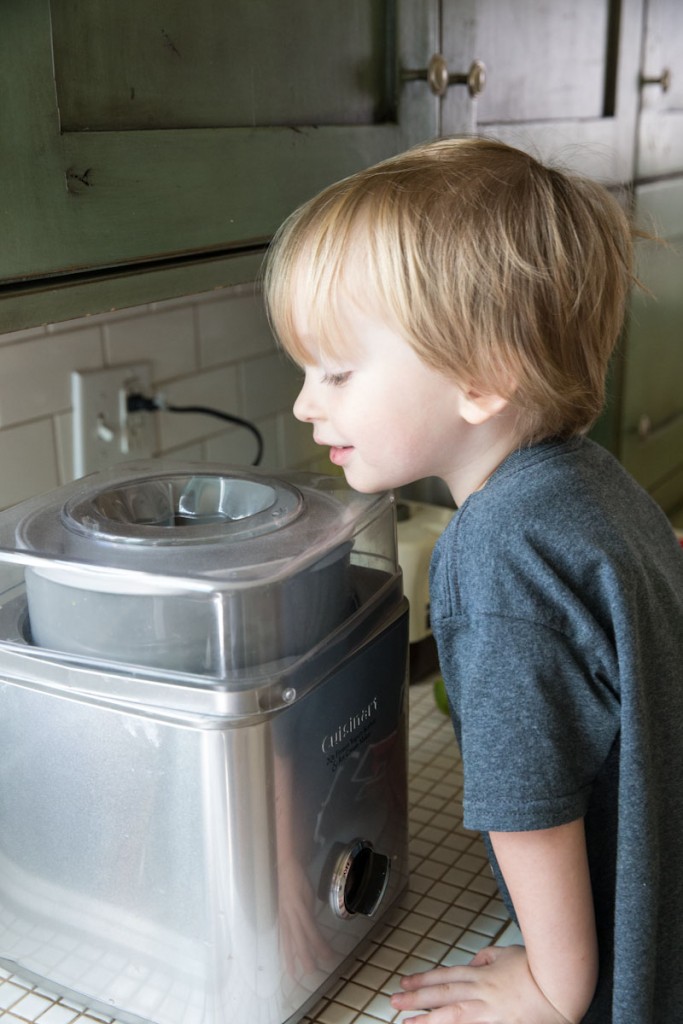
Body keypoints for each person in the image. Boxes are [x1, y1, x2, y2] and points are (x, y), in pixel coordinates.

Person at [262, 136, 683, 1023]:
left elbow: (530, 803)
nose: (305, 403)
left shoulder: (493, 555)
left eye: (336, 370)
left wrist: (550, 985)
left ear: (482, 377)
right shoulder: (587, 482)